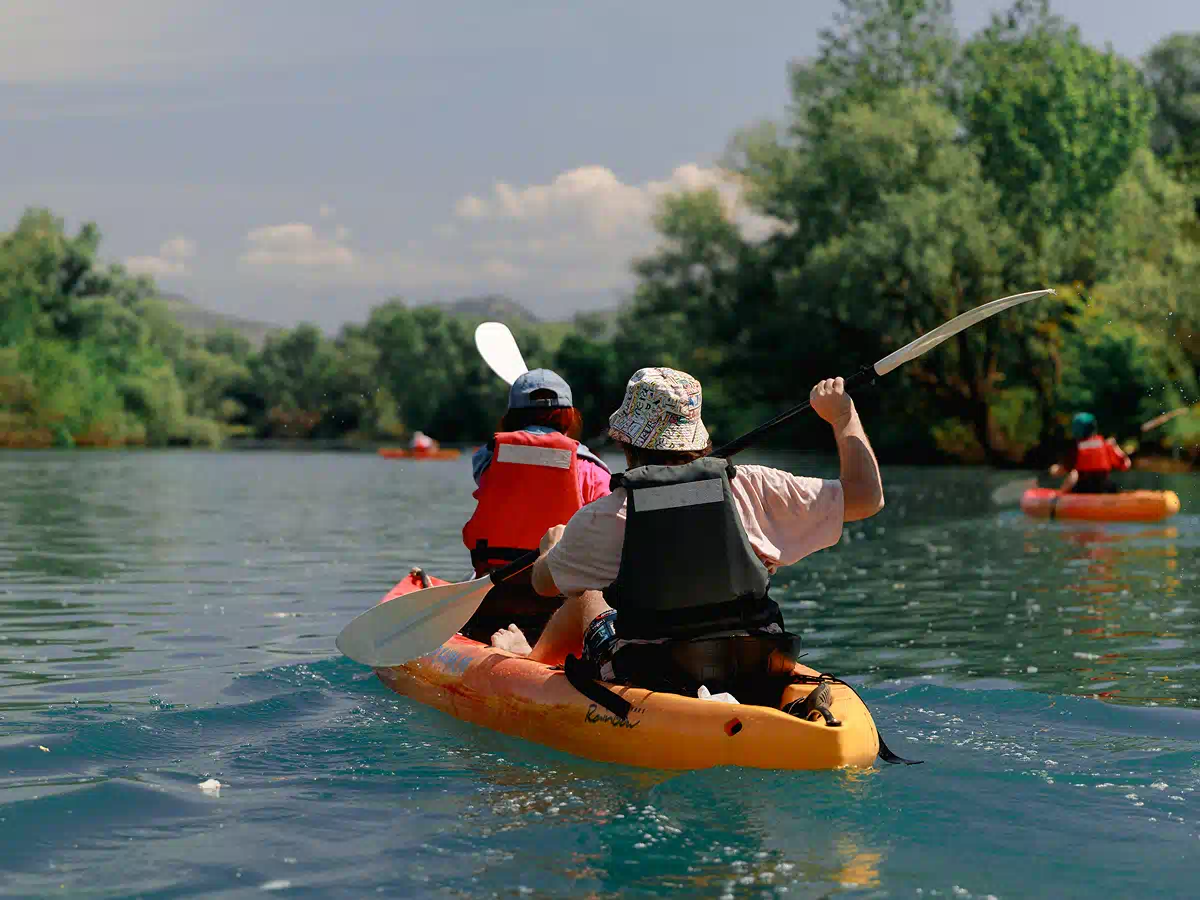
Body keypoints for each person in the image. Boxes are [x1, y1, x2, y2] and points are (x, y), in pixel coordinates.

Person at [490, 366, 885, 713]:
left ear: (626, 443)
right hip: (754, 659)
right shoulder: (756, 487)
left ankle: (531, 659)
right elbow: (867, 497)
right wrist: (842, 416)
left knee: (587, 596)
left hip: (653, 668)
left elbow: (545, 584)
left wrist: (552, 550)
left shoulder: (604, 517)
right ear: (699, 441)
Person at [459, 368, 611, 643]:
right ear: (569, 415)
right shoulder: (592, 469)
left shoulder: (487, 458)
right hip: (559, 601)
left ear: (511, 416)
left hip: (496, 592)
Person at [1049, 412, 1131, 494]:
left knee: (1073, 474)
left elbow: (1061, 470)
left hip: (1083, 490)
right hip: (1105, 489)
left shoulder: (1076, 448)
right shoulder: (1106, 445)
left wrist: (1053, 469)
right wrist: (1116, 447)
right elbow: (1126, 465)